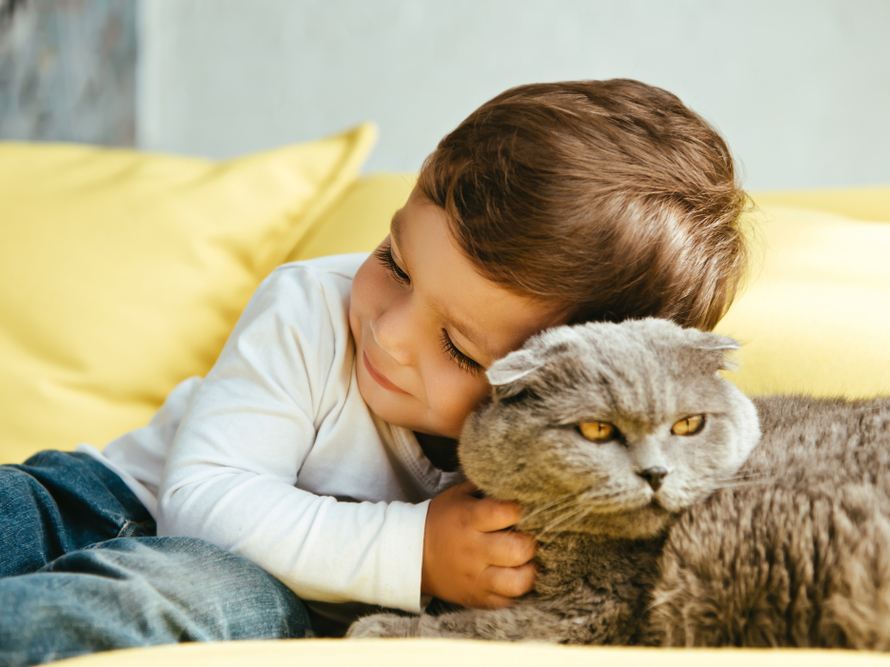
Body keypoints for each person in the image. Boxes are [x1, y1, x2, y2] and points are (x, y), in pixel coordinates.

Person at [0, 79, 749, 664]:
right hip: (109, 499)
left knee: (161, 600)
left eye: (458, 348)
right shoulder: (310, 307)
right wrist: (418, 549)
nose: (389, 332)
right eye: (395, 261)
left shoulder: (600, 451)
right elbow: (204, 502)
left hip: (255, 596)